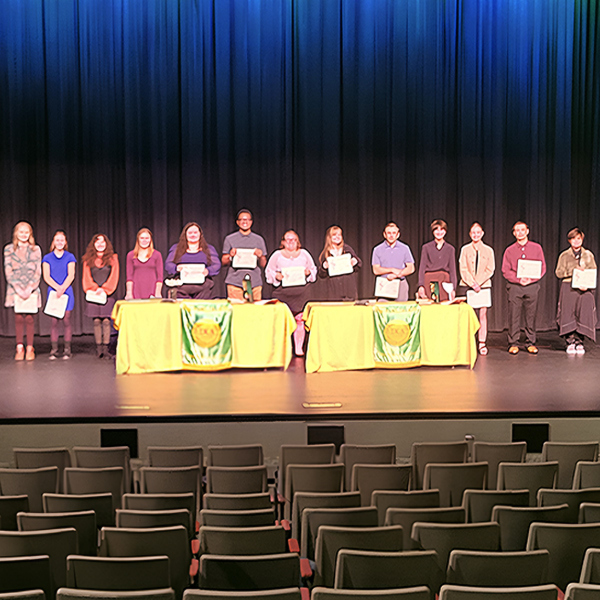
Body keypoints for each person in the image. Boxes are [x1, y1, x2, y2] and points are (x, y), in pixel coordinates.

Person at [265, 230, 317, 356]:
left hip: (301, 293)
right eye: (288, 240)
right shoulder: (277, 255)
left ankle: (298, 348)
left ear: (297, 241)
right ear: (283, 242)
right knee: (282, 319)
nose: (291, 242)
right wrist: (276, 276)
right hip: (283, 293)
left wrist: (308, 273)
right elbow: (269, 271)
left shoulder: (304, 254)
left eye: (293, 239)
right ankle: (281, 349)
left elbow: (313, 268)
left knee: (300, 320)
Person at [501, 221, 546, 354]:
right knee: (513, 315)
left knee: (531, 315)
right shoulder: (509, 250)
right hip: (515, 287)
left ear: (527, 231)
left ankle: (530, 342)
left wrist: (531, 279)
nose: (520, 232)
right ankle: (513, 343)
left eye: (522, 230)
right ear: (514, 233)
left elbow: (542, 267)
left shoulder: (536, 248)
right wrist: (518, 279)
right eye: (517, 230)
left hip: (532, 286)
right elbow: (505, 270)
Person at [555, 227, 597, 354]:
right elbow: (558, 272)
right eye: (573, 239)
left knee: (583, 314)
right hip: (569, 287)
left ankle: (580, 342)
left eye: (578, 238)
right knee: (568, 314)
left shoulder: (588, 255)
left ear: (582, 239)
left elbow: (593, 271)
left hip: (584, 289)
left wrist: (587, 285)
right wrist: (573, 271)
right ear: (569, 241)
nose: (576, 241)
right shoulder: (564, 255)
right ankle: (570, 341)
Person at [4, 221, 42, 361]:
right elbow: (8, 271)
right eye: (21, 232)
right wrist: (19, 288)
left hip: (31, 288)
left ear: (30, 234)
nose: (24, 235)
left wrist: (30, 287)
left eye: (27, 232)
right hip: (15, 288)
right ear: (16, 233)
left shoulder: (36, 249)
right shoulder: (9, 249)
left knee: (30, 318)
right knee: (19, 317)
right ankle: (19, 347)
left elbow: (38, 271)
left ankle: (30, 348)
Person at [458, 222, 495, 355]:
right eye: (473, 232)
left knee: (483, 315)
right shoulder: (465, 249)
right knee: (467, 314)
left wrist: (478, 283)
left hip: (483, 286)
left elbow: (490, 269)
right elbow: (463, 268)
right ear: (470, 234)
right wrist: (472, 283)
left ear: (482, 233)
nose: (476, 235)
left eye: (478, 232)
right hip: (467, 285)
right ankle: (468, 342)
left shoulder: (488, 250)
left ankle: (482, 342)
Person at [82, 233, 120, 359]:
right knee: (97, 321)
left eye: (102, 242)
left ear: (106, 244)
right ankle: (99, 350)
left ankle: (106, 348)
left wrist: (104, 289)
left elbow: (114, 276)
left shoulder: (113, 258)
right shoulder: (88, 259)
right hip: (93, 294)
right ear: (93, 244)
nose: (100, 244)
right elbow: (86, 277)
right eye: (97, 242)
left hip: (107, 294)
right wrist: (94, 289)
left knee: (106, 321)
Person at [42, 230, 77, 359]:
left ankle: (67, 349)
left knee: (67, 319)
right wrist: (57, 288)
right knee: (54, 321)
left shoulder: (70, 257)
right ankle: (54, 349)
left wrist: (63, 288)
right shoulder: (47, 258)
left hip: (66, 291)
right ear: (54, 242)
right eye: (57, 240)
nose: (60, 242)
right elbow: (46, 276)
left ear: (65, 242)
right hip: (53, 291)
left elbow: (71, 275)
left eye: (62, 240)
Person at [165, 222, 220, 299]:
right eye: (190, 233)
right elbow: (168, 264)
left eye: (195, 232)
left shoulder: (209, 249)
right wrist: (176, 268)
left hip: (202, 286)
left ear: (200, 234)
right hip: (182, 286)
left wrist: (208, 271)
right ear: (185, 235)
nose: (193, 235)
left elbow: (216, 265)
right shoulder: (176, 248)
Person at [221, 209, 267, 300]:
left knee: (255, 312)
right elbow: (223, 262)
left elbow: (263, 264)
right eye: (242, 219)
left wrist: (260, 256)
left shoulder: (259, 239)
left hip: (255, 282)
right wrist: (230, 256)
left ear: (251, 222)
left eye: (247, 219)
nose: (245, 222)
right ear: (237, 222)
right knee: (237, 311)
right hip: (235, 282)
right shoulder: (230, 239)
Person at [371, 222, 415, 301]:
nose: (391, 235)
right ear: (384, 234)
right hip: (384, 283)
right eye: (389, 233)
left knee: (400, 310)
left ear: (398, 235)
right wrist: (391, 270)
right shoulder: (377, 249)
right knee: (383, 310)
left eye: (394, 233)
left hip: (400, 283)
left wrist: (397, 275)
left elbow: (411, 268)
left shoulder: (404, 248)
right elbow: (376, 270)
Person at [318, 225, 362, 301]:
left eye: (339, 235)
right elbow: (321, 275)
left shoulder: (347, 249)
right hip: (334, 291)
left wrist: (355, 262)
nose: (337, 237)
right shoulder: (326, 253)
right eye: (334, 235)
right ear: (329, 237)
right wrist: (324, 267)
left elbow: (358, 265)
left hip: (348, 288)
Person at [418, 219, 457, 301]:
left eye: (442, 229)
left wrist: (453, 288)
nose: (439, 232)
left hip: (444, 281)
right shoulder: (426, 247)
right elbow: (422, 268)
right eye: (436, 229)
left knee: (444, 306)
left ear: (445, 231)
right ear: (433, 231)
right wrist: (421, 285)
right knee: (430, 306)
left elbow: (453, 270)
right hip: (429, 280)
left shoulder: (450, 249)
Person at [125, 228, 163, 300]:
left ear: (150, 239)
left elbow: (160, 277)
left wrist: (158, 292)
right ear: (138, 239)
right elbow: (129, 277)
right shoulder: (131, 255)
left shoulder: (157, 255)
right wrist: (129, 293)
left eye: (147, 238)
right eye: (142, 238)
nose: (144, 240)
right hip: (136, 290)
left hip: (152, 290)